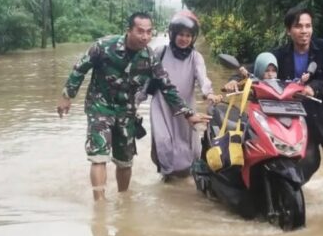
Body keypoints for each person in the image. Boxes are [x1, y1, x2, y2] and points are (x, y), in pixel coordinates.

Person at [56, 12, 209, 201]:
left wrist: (188, 114)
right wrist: (67, 96)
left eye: (149, 32)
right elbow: (80, 69)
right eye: (140, 31)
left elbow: (167, 87)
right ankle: (100, 204)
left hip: (127, 111)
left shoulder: (150, 58)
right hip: (100, 106)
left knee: (125, 162)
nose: (145, 36)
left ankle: (123, 199)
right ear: (129, 30)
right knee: (99, 155)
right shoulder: (104, 46)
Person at [271, 6, 323, 202]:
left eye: (308, 26)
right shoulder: (280, 55)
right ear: (289, 30)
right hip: (301, 122)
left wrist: (315, 87)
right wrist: (236, 78)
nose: (304, 31)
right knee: (307, 162)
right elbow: (259, 68)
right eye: (299, 26)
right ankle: (288, 200)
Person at [141, 10, 219, 181]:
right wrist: (135, 102)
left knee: (187, 146)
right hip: (161, 107)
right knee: (164, 143)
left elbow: (203, 78)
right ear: (172, 34)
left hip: (186, 108)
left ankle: (186, 180)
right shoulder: (160, 51)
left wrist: (209, 93)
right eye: (180, 34)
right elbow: (145, 80)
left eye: (188, 35)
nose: (184, 39)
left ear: (193, 38)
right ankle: (167, 178)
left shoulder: (196, 57)